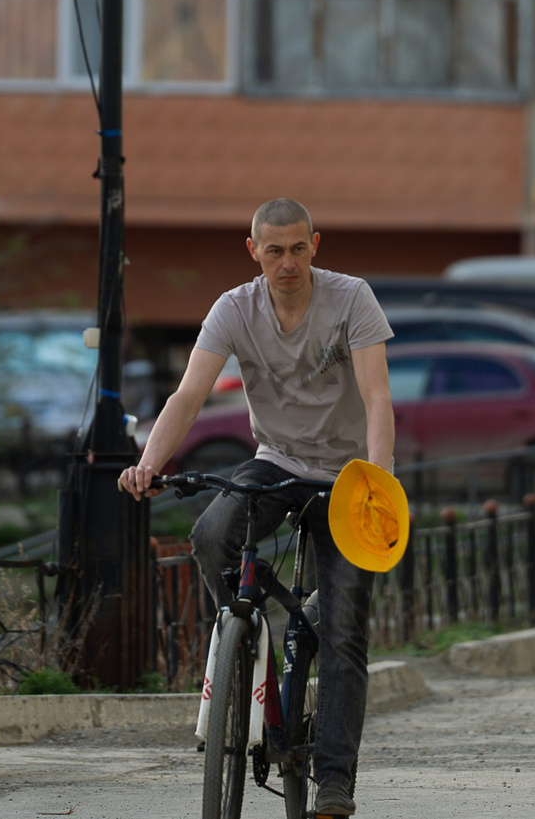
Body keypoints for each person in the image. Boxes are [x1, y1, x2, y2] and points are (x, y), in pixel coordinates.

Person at [121, 197, 394, 819]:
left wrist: (378, 481)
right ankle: (246, 642)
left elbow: (378, 398)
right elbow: (189, 394)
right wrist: (149, 462)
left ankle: (333, 781)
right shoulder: (234, 309)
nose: (287, 261)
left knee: (347, 632)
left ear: (315, 245)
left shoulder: (352, 299)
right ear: (254, 252)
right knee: (212, 532)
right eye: (274, 250)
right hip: (276, 460)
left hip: (348, 475)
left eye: (298, 248)